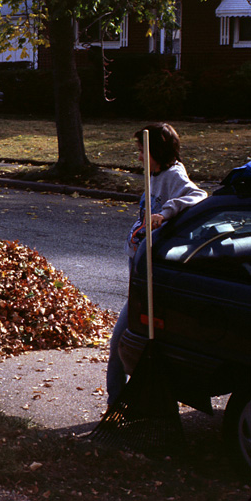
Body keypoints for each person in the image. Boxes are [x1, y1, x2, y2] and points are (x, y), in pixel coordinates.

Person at [106, 123, 207, 406]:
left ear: (157, 151)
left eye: (141, 151)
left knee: (119, 342)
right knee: (129, 343)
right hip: (136, 266)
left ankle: (117, 404)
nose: (138, 157)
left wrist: (165, 212)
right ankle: (125, 403)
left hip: (150, 274)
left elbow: (198, 196)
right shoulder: (154, 174)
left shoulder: (173, 174)